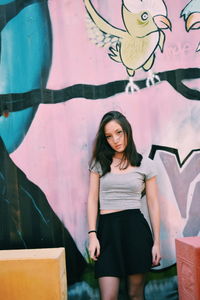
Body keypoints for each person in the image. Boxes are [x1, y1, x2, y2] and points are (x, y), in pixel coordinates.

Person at [87, 111, 161, 300]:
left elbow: (153, 203)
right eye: (109, 136)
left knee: (135, 294)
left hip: (135, 231)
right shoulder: (99, 163)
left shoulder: (146, 165)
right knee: (108, 296)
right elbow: (92, 199)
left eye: (119, 132)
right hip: (107, 233)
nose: (115, 140)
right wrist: (92, 235)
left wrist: (157, 243)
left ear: (127, 130)